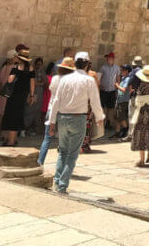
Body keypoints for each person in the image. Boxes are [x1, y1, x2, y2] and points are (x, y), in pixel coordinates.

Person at [49, 51, 104, 193]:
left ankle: (56, 180)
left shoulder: (65, 79)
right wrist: (100, 118)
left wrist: (52, 121)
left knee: (62, 151)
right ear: (86, 64)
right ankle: (62, 185)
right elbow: (95, 101)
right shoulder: (89, 80)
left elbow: (56, 101)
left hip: (62, 117)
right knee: (72, 154)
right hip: (79, 118)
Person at [38, 57, 76, 165]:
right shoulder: (72, 82)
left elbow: (51, 90)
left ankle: (40, 162)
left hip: (51, 109)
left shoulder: (55, 78)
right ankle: (62, 165)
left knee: (47, 139)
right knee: (64, 141)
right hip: (64, 112)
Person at [2, 48, 35, 146]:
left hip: (13, 96)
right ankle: (14, 139)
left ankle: (10, 142)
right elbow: (32, 83)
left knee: (11, 116)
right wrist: (31, 95)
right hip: (23, 96)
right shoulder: (31, 69)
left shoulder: (15, 68)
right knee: (18, 116)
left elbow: (10, 80)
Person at [0, 48, 17, 140]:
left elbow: (0, 81)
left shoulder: (4, 67)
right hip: (9, 95)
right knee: (7, 114)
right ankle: (5, 135)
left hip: (3, 94)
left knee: (2, 114)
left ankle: (0, 134)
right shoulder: (14, 68)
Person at [81, 58, 100, 153]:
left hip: (84, 102)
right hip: (86, 102)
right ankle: (84, 144)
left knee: (85, 123)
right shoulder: (92, 74)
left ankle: (83, 144)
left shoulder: (85, 74)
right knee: (86, 123)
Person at [26, 57, 47, 134]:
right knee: (28, 110)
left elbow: (45, 83)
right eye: (37, 64)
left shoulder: (43, 73)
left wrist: (38, 83)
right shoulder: (32, 72)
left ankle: (34, 129)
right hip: (32, 93)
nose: (39, 66)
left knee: (37, 112)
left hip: (40, 94)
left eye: (40, 65)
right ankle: (25, 128)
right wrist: (38, 83)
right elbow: (31, 82)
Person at [99, 52, 120, 131]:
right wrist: (100, 85)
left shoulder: (117, 68)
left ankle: (108, 122)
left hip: (112, 90)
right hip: (103, 90)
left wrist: (117, 88)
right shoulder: (103, 67)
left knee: (110, 108)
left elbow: (118, 78)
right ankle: (102, 124)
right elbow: (100, 77)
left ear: (113, 59)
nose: (108, 60)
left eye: (109, 58)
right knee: (102, 107)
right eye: (107, 58)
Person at [114, 64, 131, 139]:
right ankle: (117, 132)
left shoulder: (128, 79)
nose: (121, 72)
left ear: (127, 71)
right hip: (119, 99)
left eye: (122, 70)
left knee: (121, 117)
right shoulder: (124, 78)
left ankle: (125, 130)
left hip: (124, 100)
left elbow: (124, 89)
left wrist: (117, 85)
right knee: (117, 117)